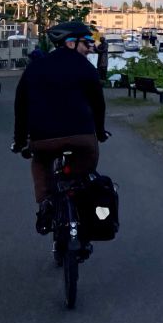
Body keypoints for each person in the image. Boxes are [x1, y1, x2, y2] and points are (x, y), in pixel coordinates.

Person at [11, 21, 109, 234]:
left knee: (40, 162)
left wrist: (20, 140)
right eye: (87, 43)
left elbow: (21, 106)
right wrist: (100, 133)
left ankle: (45, 201)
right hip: (82, 137)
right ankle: (79, 198)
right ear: (71, 43)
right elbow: (98, 105)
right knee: (86, 166)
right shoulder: (86, 68)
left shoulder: (35, 68)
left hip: (43, 138)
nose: (90, 48)